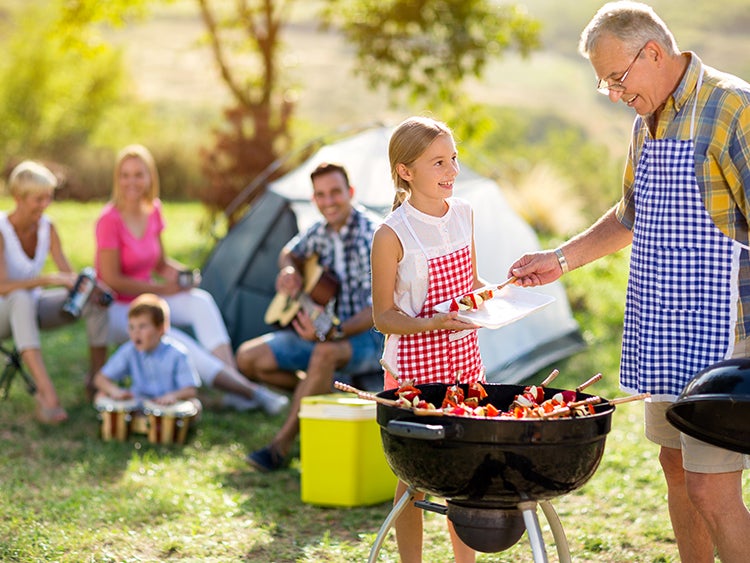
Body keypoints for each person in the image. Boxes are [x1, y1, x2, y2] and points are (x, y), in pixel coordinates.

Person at [508, 3, 750, 561]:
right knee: (676, 471)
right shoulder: (649, 118)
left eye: (617, 78)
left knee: (713, 489)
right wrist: (561, 258)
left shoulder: (731, 106)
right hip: (667, 330)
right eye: (604, 84)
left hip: (725, 338)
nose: (614, 94)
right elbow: (629, 215)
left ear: (654, 53)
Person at [95, 144, 287, 416]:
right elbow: (112, 279)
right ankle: (250, 392)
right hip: (119, 311)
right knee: (170, 336)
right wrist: (163, 289)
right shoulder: (109, 220)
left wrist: (183, 277)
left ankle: (235, 383)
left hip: (151, 299)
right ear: (117, 179)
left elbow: (160, 263)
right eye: (125, 175)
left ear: (151, 178)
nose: (132, 182)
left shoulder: (153, 210)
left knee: (200, 301)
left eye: (139, 174)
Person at [370, 116, 486, 563]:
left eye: (453, 159)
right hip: (411, 369)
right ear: (406, 171)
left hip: (464, 360)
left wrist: (498, 294)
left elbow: (471, 283)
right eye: (438, 162)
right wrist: (433, 324)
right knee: (414, 475)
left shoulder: (465, 214)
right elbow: (384, 316)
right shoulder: (391, 234)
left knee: (465, 468)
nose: (452, 171)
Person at [236, 162, 384, 472]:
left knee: (323, 352)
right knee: (248, 358)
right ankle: (321, 390)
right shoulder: (319, 232)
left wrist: (334, 332)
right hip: (323, 334)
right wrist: (289, 269)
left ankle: (281, 446)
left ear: (351, 193)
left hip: (369, 338)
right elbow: (289, 253)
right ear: (313, 199)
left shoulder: (374, 235)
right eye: (320, 195)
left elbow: (377, 310)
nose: (328, 201)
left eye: (335, 193)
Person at [0, 160, 109, 424]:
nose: (45, 204)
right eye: (38, 199)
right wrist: (47, 279)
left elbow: (67, 274)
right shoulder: (1, 229)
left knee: (91, 303)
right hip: (4, 313)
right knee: (20, 297)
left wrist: (90, 286)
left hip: (30, 309)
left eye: (48, 197)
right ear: (18, 198)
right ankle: (47, 396)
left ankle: (96, 381)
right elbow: (2, 286)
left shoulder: (48, 227)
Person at [93, 293, 202, 418]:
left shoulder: (178, 353)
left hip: (167, 406)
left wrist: (173, 396)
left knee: (195, 405)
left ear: (161, 329)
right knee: (101, 395)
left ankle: (161, 428)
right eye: (131, 327)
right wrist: (116, 392)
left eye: (142, 326)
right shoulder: (129, 350)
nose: (136, 333)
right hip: (139, 404)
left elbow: (190, 390)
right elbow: (100, 379)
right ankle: (126, 424)